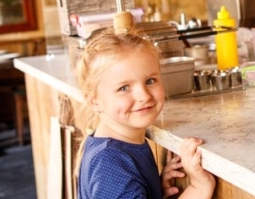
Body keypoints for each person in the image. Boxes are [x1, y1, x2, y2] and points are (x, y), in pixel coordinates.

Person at [74, 28, 215, 199]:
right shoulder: (110, 164)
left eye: (150, 81)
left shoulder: (117, 147)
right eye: (123, 88)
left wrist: (152, 189)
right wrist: (199, 186)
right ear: (94, 101)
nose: (144, 95)